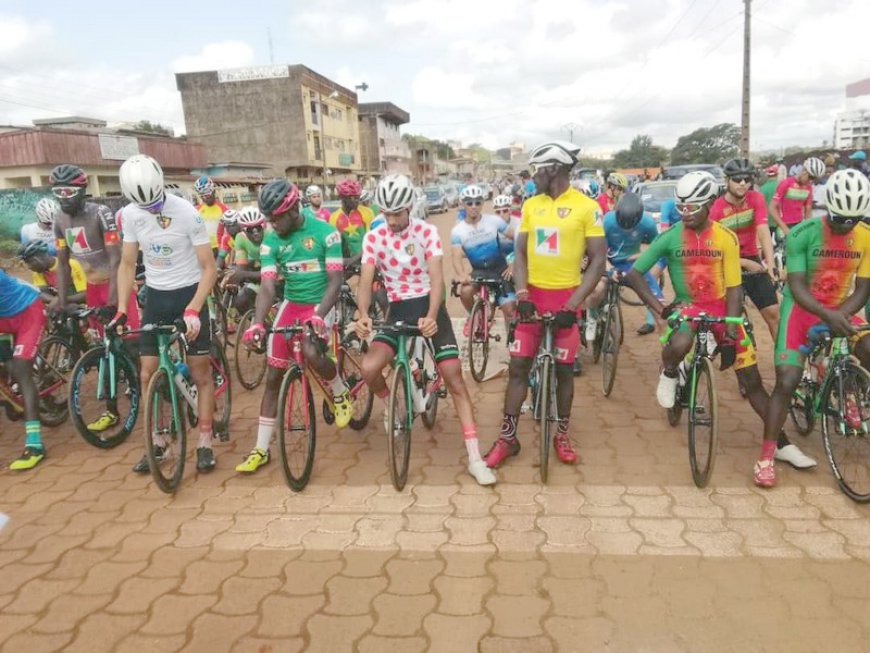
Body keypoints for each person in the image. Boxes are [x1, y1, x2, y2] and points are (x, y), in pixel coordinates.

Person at [625, 171, 815, 488]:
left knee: (752, 381)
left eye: (693, 207)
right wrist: (660, 308)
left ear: (710, 203)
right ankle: (670, 370)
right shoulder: (671, 236)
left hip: (721, 308)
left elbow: (734, 290)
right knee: (681, 339)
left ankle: (780, 444)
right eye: (681, 207)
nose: (685, 213)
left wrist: (729, 329)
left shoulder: (724, 238)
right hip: (687, 306)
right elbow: (634, 274)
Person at [353, 174, 495, 485]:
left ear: (410, 208)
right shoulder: (374, 236)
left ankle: (475, 458)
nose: (391, 220)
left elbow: (436, 280)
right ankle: (394, 405)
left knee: (455, 380)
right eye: (386, 213)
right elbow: (365, 280)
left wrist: (432, 316)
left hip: (428, 305)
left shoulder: (426, 232)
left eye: (397, 213)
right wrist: (363, 314)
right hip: (397, 309)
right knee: (368, 368)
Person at [485, 141, 607, 469]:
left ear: (553, 169)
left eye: (538, 169)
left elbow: (598, 260)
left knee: (566, 372)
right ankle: (508, 438)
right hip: (532, 299)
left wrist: (575, 303)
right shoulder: (530, 205)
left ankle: (561, 434)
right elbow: (521, 253)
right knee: (518, 367)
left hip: (567, 299)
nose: (532, 175)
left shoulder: (586, 207)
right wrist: (522, 294)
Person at [761, 169, 870, 487]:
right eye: (839, 219)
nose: (845, 226)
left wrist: (840, 316)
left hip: (842, 308)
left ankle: (851, 392)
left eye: (853, 220)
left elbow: (863, 288)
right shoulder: (803, 233)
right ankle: (767, 455)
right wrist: (827, 316)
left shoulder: (865, 237)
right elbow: (795, 286)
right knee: (787, 380)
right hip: (802, 309)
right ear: (827, 207)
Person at [237, 180, 352, 473]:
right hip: (292, 304)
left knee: (313, 352)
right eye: (269, 218)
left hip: (321, 302)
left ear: (292, 210)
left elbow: (336, 281)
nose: (271, 224)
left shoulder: (326, 233)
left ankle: (339, 391)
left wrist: (318, 315)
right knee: (273, 376)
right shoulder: (270, 241)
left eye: (276, 218)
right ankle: (261, 449)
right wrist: (257, 324)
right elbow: (266, 286)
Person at [114, 154, 220, 473]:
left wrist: (194, 308)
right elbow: (128, 264)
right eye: (144, 205)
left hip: (190, 292)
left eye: (155, 201)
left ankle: (204, 442)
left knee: (200, 373)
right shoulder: (131, 215)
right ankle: (158, 442)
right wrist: (122, 308)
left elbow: (209, 268)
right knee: (147, 373)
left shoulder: (187, 213)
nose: (152, 209)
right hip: (157, 297)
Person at [709, 158, 779, 338]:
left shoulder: (756, 198)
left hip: (752, 259)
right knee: (731, 317)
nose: (742, 183)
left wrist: (770, 264)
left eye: (747, 179)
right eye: (737, 179)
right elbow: (713, 251)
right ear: (727, 181)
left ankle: (783, 359)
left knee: (773, 313)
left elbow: (763, 232)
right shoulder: (716, 208)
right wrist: (745, 263)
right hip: (724, 262)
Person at [587, 192, 663, 336]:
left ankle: (657, 327)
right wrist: (609, 270)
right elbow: (598, 252)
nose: (626, 229)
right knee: (598, 288)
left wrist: (642, 255)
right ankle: (592, 315)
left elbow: (658, 247)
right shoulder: (607, 221)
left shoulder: (648, 223)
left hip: (631, 264)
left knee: (656, 300)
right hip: (606, 260)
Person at [451, 185, 516, 336]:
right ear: (463, 204)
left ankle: (513, 343)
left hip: (500, 271)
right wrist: (461, 275)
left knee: (510, 309)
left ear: (482, 203)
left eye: (477, 202)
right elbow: (455, 257)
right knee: (465, 292)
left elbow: (517, 240)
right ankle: (475, 316)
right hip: (479, 271)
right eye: (469, 203)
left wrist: (513, 264)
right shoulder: (457, 231)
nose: (474, 206)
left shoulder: (494, 221)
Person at [0, 270, 49, 469]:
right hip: (4, 318)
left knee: (22, 371)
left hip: (28, 312)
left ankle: (35, 445)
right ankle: (11, 396)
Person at [224, 206, 266, 316]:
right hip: (260, 275)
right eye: (250, 230)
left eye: (258, 228)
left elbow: (271, 273)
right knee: (240, 302)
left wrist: (242, 274)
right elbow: (241, 268)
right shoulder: (240, 238)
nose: (255, 233)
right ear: (243, 230)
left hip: (280, 278)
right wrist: (234, 281)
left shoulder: (271, 235)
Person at [19, 240, 86, 304]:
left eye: (29, 262)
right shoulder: (38, 272)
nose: (29, 267)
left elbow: (84, 295)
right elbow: (43, 293)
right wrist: (56, 302)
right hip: (61, 307)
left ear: (39, 257)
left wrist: (59, 301)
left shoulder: (71, 264)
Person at [769, 157, 824, 235]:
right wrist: (784, 228)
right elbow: (772, 208)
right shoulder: (786, 183)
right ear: (804, 170)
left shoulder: (808, 187)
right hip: (783, 225)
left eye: (814, 179)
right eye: (811, 177)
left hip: (798, 226)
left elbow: (808, 212)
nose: (811, 181)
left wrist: (811, 230)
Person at [329, 179, 374, 268]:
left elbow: (373, 240)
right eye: (352, 198)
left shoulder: (367, 212)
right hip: (345, 265)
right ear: (342, 198)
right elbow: (333, 246)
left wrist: (355, 258)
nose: (356, 201)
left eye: (358, 197)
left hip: (366, 261)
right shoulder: (334, 217)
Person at [193, 175, 229, 252]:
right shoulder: (197, 210)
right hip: (204, 247)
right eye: (202, 196)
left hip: (220, 247)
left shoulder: (223, 209)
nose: (205, 198)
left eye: (207, 195)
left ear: (213, 191)